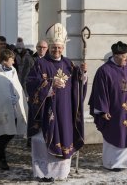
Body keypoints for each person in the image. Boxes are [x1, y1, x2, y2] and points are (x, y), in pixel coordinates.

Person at [27, 23, 87, 182]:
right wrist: (50, 84)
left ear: (63, 47)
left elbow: (77, 84)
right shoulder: (40, 63)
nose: (57, 50)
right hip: (46, 110)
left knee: (65, 138)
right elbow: (31, 84)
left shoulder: (69, 64)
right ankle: (44, 173)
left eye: (59, 47)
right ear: (49, 47)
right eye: (53, 47)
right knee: (43, 142)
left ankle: (61, 172)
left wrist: (83, 76)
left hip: (65, 110)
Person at [88, 41, 127, 171]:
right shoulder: (104, 70)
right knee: (116, 133)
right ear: (115, 56)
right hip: (115, 110)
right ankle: (114, 163)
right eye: (123, 56)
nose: (126, 59)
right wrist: (102, 110)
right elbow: (100, 92)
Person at [0, 49, 28, 170]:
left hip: (13, 108)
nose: (13, 61)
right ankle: (1, 158)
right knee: (0, 131)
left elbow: (17, 87)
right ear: (4, 60)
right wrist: (4, 98)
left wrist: (16, 97)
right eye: (11, 59)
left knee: (10, 132)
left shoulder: (13, 70)